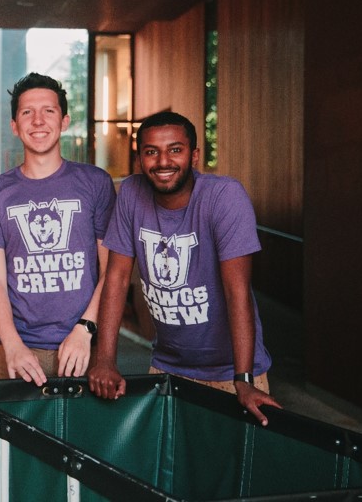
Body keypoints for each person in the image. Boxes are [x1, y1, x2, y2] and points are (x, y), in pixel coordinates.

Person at [87, 111, 282, 426]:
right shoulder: (131, 195)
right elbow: (117, 278)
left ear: (194, 156)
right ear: (140, 159)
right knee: (166, 471)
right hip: (167, 367)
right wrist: (106, 361)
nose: (163, 161)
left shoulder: (224, 196)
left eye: (175, 150)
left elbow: (237, 292)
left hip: (230, 372)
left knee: (230, 472)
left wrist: (243, 379)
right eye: (152, 152)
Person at [0, 72, 116, 386]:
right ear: (14, 126)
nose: (38, 120)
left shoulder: (95, 183)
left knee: (82, 437)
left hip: (82, 347)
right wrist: (12, 344)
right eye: (27, 112)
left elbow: (113, 269)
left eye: (48, 111)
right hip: (14, 350)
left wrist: (86, 329)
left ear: (64, 121)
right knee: (10, 437)